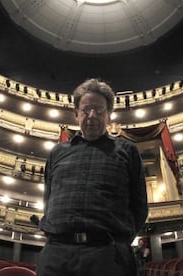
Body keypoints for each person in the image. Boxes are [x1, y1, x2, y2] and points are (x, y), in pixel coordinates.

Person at [37, 78, 148, 276]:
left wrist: (117, 240)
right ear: (76, 113)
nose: (92, 115)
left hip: (107, 256)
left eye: (99, 110)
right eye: (86, 109)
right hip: (56, 254)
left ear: (109, 115)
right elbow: (49, 199)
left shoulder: (127, 150)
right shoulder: (57, 152)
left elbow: (139, 207)